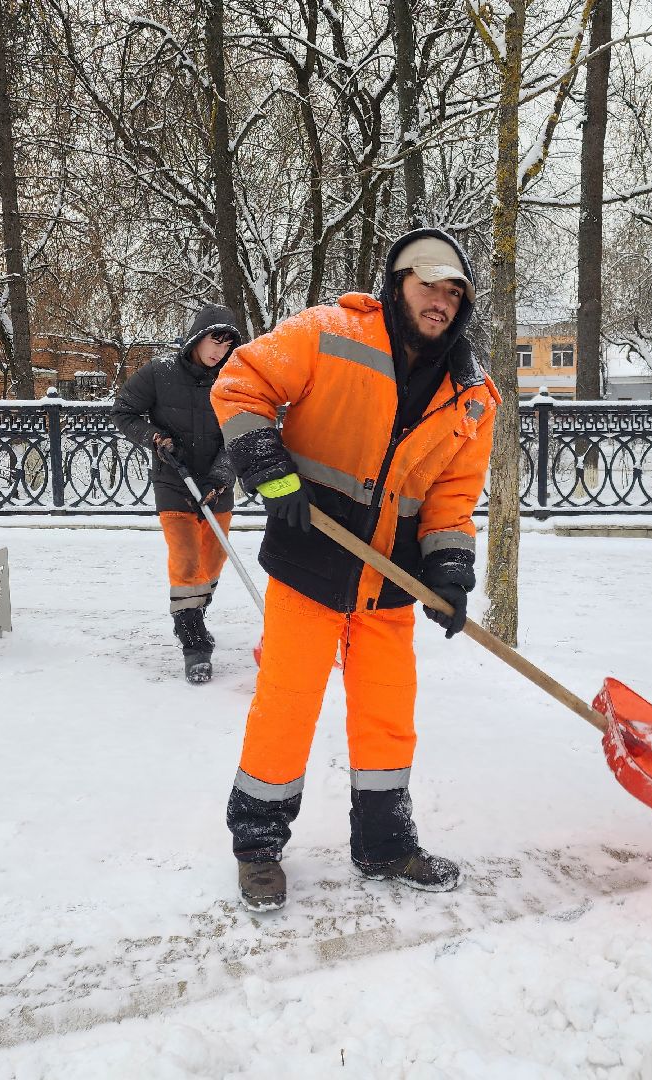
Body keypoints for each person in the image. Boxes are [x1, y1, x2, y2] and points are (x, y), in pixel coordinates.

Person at [212, 228, 498, 912]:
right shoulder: (328, 332)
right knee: (286, 707)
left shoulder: (472, 394)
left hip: (388, 580)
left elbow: (453, 499)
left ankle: (385, 845)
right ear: (396, 285)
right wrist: (270, 472)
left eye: (454, 291)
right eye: (428, 284)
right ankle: (257, 848)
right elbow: (240, 383)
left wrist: (450, 571)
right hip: (310, 559)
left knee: (387, 717)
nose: (441, 301)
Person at [113, 304, 243, 684]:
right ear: (197, 337)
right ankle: (193, 641)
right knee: (186, 558)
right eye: (213, 340)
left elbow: (242, 431)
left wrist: (220, 474)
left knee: (212, 560)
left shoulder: (235, 380)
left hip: (217, 483)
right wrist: (154, 438)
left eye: (227, 343)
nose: (219, 350)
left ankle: (195, 612)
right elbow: (123, 412)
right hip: (174, 480)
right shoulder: (159, 373)